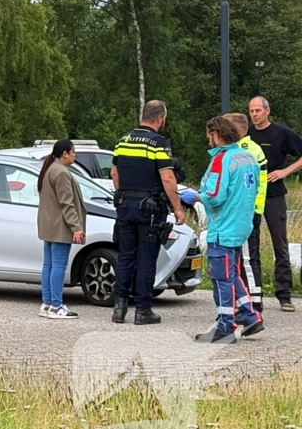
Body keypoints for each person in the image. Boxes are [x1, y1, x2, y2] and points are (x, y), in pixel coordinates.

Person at [180, 116, 263, 343]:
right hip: (241, 224)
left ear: (216, 134)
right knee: (232, 273)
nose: (208, 140)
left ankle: (225, 326)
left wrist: (195, 197)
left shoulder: (222, 159)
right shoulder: (248, 157)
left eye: (209, 136)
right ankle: (251, 315)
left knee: (221, 278)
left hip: (223, 227)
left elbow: (216, 195)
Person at [110, 100, 185, 325]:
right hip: (150, 209)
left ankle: (119, 309)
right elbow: (168, 177)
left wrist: (125, 195)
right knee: (146, 259)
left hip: (125, 206)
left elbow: (114, 173)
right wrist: (177, 208)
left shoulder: (122, 140)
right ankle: (143, 310)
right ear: (160, 119)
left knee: (125, 256)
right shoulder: (158, 143)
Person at [248, 96, 302, 312]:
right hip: (249, 196)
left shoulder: (282, 133)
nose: (254, 114)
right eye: (251, 111)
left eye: (258, 110)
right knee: (251, 246)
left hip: (274, 195)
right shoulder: (246, 134)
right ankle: (255, 291)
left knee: (279, 243)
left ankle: (284, 294)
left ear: (267, 111)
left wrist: (285, 171)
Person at [36, 139, 87, 319]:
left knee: (48, 264)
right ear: (65, 154)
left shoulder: (50, 169)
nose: (75, 155)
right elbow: (67, 204)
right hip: (60, 226)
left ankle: (47, 303)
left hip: (49, 224)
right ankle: (56, 306)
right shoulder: (61, 172)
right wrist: (77, 227)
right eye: (73, 152)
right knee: (58, 265)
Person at [225, 112, 267, 314]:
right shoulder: (252, 148)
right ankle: (246, 301)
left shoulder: (246, 150)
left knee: (248, 259)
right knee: (244, 258)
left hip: (248, 211)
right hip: (248, 210)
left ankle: (253, 304)